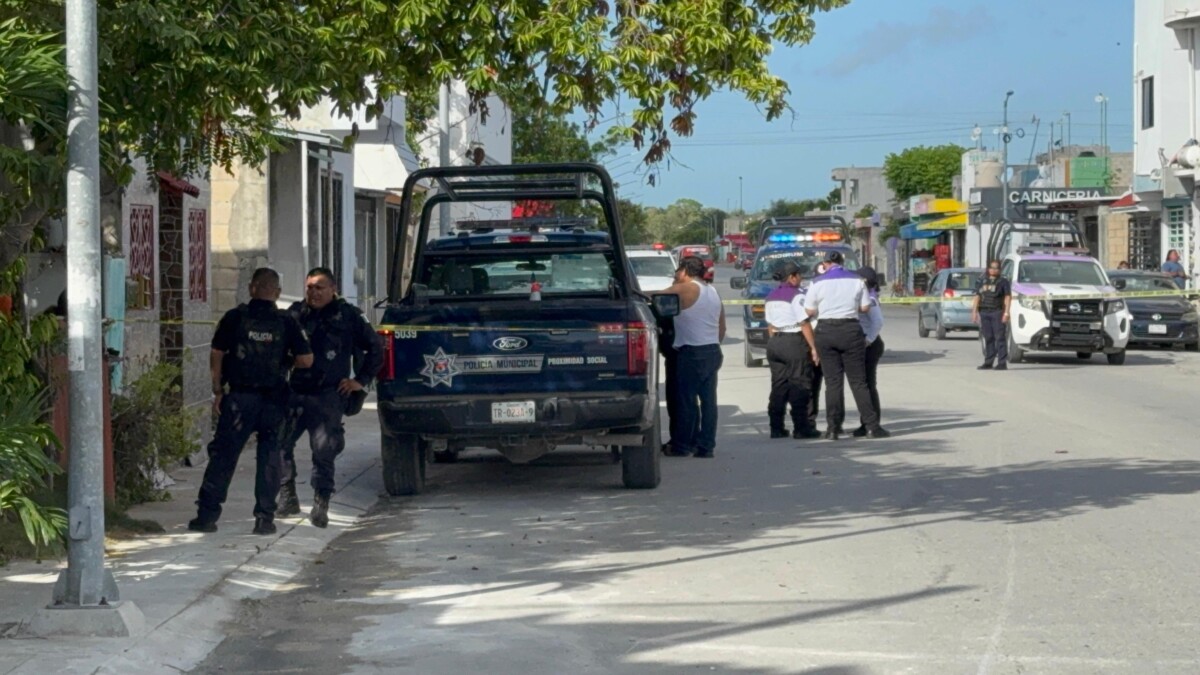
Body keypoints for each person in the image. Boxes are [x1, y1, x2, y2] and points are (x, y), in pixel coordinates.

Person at [189, 268, 313, 535]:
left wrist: (217, 390)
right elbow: (306, 360)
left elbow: (217, 353)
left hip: (239, 399)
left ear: (251, 288)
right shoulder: (287, 321)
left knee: (223, 457)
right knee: (269, 458)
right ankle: (264, 519)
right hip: (274, 400)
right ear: (277, 293)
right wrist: (286, 361)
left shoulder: (235, 317)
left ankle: (206, 516)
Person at [278, 267, 384, 528]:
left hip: (328, 394)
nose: (313, 292)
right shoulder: (295, 314)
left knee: (324, 450)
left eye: (319, 287)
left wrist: (360, 381)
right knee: (279, 443)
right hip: (295, 392)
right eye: (310, 287)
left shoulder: (347, 316)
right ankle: (287, 495)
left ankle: (320, 502)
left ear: (333, 289)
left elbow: (376, 348)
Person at [803, 252, 887, 440]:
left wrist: (826, 307)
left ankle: (833, 428)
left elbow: (808, 310)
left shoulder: (817, 282)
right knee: (859, 383)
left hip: (825, 331)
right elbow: (865, 307)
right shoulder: (857, 280)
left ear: (825, 263)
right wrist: (848, 306)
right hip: (850, 329)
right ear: (842, 262)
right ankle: (872, 427)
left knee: (833, 383)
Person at [660, 256, 725, 458]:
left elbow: (652, 296)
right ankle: (706, 446)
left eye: (678, 271)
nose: (676, 275)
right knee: (708, 402)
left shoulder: (687, 288)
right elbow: (721, 327)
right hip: (712, 350)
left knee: (686, 401)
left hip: (691, 352)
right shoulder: (712, 291)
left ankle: (681, 445)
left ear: (686, 271)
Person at [764, 261, 821, 440]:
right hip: (793, 341)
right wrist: (813, 348)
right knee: (800, 385)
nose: (801, 278)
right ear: (792, 277)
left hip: (775, 343)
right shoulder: (796, 296)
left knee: (779, 386)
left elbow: (770, 325)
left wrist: (776, 343)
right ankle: (801, 428)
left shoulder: (770, 296)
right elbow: (804, 324)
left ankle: (776, 427)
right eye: (799, 275)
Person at [852, 267, 885, 438]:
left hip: (869, 345)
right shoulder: (863, 296)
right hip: (864, 342)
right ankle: (865, 422)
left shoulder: (870, 298)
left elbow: (878, 322)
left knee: (868, 386)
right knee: (863, 385)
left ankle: (872, 422)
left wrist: (868, 340)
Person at [972, 260, 1012, 371]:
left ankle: (1002, 363)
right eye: (992, 267)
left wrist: (1006, 312)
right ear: (988, 269)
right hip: (984, 312)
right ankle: (988, 362)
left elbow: (1007, 298)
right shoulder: (982, 280)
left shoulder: (1003, 282)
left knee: (999, 337)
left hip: (997, 312)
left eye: (996, 268)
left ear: (1000, 270)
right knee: (988, 337)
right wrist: (974, 312)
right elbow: (977, 297)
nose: (994, 270)